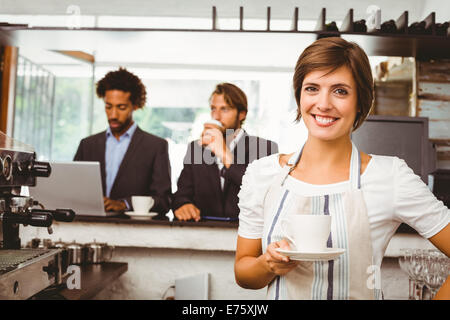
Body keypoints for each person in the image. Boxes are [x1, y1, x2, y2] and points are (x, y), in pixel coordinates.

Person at [234, 37, 450, 300]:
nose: (323, 104)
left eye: (340, 91)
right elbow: (244, 272)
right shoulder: (263, 174)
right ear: (299, 96)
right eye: (312, 88)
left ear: (361, 102)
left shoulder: (389, 176)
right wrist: (267, 264)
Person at [172, 83, 278, 221]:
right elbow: (180, 196)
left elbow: (263, 194)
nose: (216, 116)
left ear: (241, 114)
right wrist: (183, 204)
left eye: (224, 109)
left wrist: (224, 153)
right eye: (213, 109)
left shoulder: (265, 148)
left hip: (246, 235)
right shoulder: (196, 148)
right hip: (204, 233)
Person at [74, 67, 171, 216]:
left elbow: (163, 201)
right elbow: (73, 190)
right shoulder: (87, 145)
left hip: (133, 233)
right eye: (108, 107)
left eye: (121, 107)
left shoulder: (155, 147)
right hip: (88, 227)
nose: (113, 115)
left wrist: (124, 204)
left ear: (135, 105)